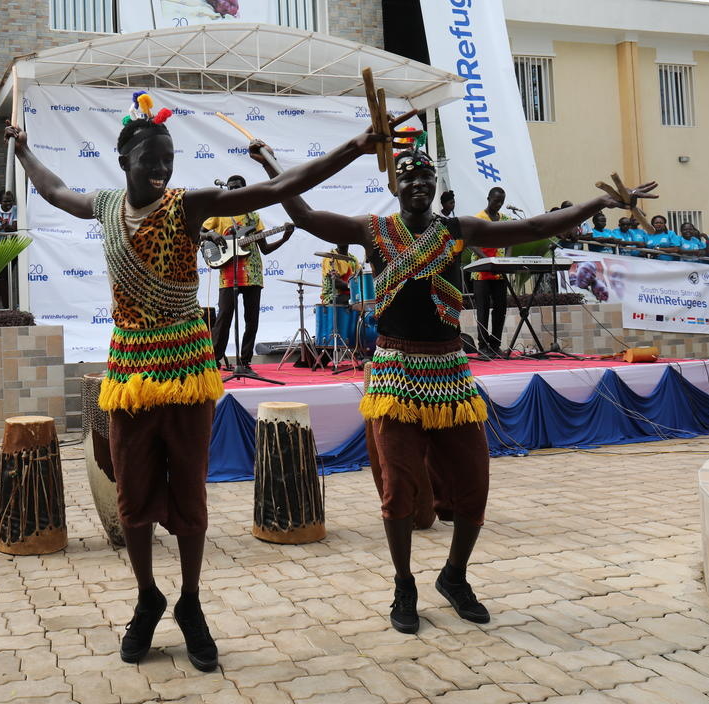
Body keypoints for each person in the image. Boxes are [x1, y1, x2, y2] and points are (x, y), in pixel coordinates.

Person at [4, 92, 404, 672]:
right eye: (150, 160)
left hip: (188, 373)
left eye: (167, 159)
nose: (161, 169)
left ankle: (190, 601)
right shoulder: (107, 206)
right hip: (130, 373)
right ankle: (147, 596)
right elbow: (54, 191)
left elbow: (271, 191)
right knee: (131, 493)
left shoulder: (188, 206)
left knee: (190, 492)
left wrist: (355, 147)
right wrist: (22, 150)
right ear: (124, 161)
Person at [258, 145, 657, 634]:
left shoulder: (457, 231)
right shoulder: (371, 231)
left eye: (425, 176)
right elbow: (302, 211)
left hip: (450, 373)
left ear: (433, 185)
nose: (418, 183)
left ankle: (454, 576)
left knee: (474, 484)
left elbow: (533, 229)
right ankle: (404, 584)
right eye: (408, 177)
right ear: (394, 187)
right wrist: (270, 165)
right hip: (394, 371)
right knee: (398, 488)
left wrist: (598, 206)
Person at [201, 176, 293, 370]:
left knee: (252, 320)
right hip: (229, 274)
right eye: (231, 188)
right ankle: (214, 360)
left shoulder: (254, 217)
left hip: (253, 274)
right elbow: (198, 233)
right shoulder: (219, 213)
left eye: (238, 188)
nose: (234, 191)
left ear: (245, 189)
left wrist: (284, 238)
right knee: (224, 318)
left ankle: (245, 361)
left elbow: (265, 249)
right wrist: (211, 234)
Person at [471, 188, 510, 357]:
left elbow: (511, 239)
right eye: (496, 201)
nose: (499, 204)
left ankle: (495, 345)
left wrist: (507, 261)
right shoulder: (478, 219)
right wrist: (487, 259)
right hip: (481, 271)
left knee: (500, 308)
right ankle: (483, 346)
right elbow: (470, 241)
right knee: (483, 309)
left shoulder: (505, 219)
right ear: (488, 199)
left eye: (501, 201)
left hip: (499, 270)